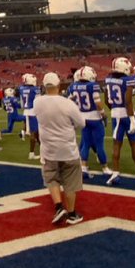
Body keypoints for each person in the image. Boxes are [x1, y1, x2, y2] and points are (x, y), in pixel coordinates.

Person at [33, 73, 86, 226]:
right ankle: (72, 213)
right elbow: (81, 123)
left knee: (52, 178)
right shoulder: (68, 104)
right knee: (70, 182)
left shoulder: (38, 102)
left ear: (44, 85)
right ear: (59, 85)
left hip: (49, 149)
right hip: (67, 148)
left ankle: (58, 206)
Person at [103, 58, 135, 184]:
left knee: (116, 145)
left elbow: (106, 100)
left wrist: (114, 109)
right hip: (127, 114)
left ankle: (115, 173)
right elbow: (128, 101)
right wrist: (131, 119)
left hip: (116, 115)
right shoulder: (128, 79)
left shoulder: (108, 79)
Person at [69, 65, 112, 178]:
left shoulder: (74, 86)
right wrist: (103, 114)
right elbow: (97, 102)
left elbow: (71, 99)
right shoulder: (92, 86)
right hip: (94, 117)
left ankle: (84, 166)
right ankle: (105, 167)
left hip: (82, 118)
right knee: (99, 144)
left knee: (86, 144)